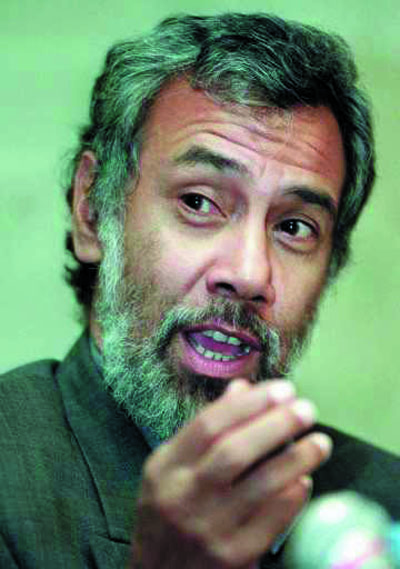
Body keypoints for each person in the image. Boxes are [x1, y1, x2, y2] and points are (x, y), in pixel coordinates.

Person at [0, 12, 398, 569]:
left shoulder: (382, 505)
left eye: (294, 227)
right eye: (199, 202)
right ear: (93, 210)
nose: (250, 273)